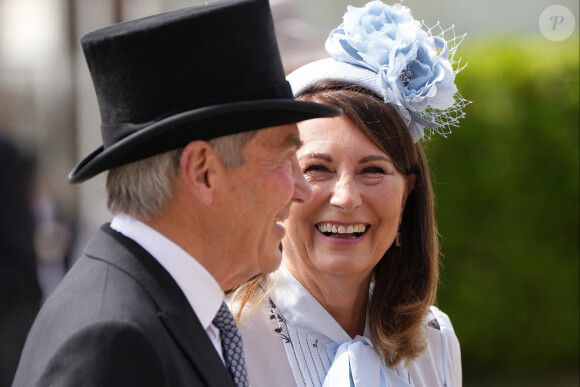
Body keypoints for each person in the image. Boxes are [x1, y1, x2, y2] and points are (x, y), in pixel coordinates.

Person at [11, 0, 341, 386]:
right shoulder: (116, 340)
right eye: (284, 158)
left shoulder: (158, 309)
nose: (301, 189)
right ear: (202, 170)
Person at [230, 1, 470, 386]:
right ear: (278, 182)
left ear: (409, 190)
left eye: (373, 170)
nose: (345, 198)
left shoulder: (435, 339)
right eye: (317, 169)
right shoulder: (224, 342)